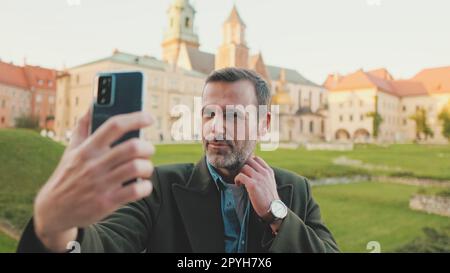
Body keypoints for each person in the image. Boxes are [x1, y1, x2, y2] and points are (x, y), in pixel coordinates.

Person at [17, 67, 339, 253]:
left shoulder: (295, 190)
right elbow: (106, 243)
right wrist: (56, 227)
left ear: (265, 123)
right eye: (209, 113)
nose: (216, 127)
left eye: (233, 115)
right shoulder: (160, 185)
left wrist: (275, 213)